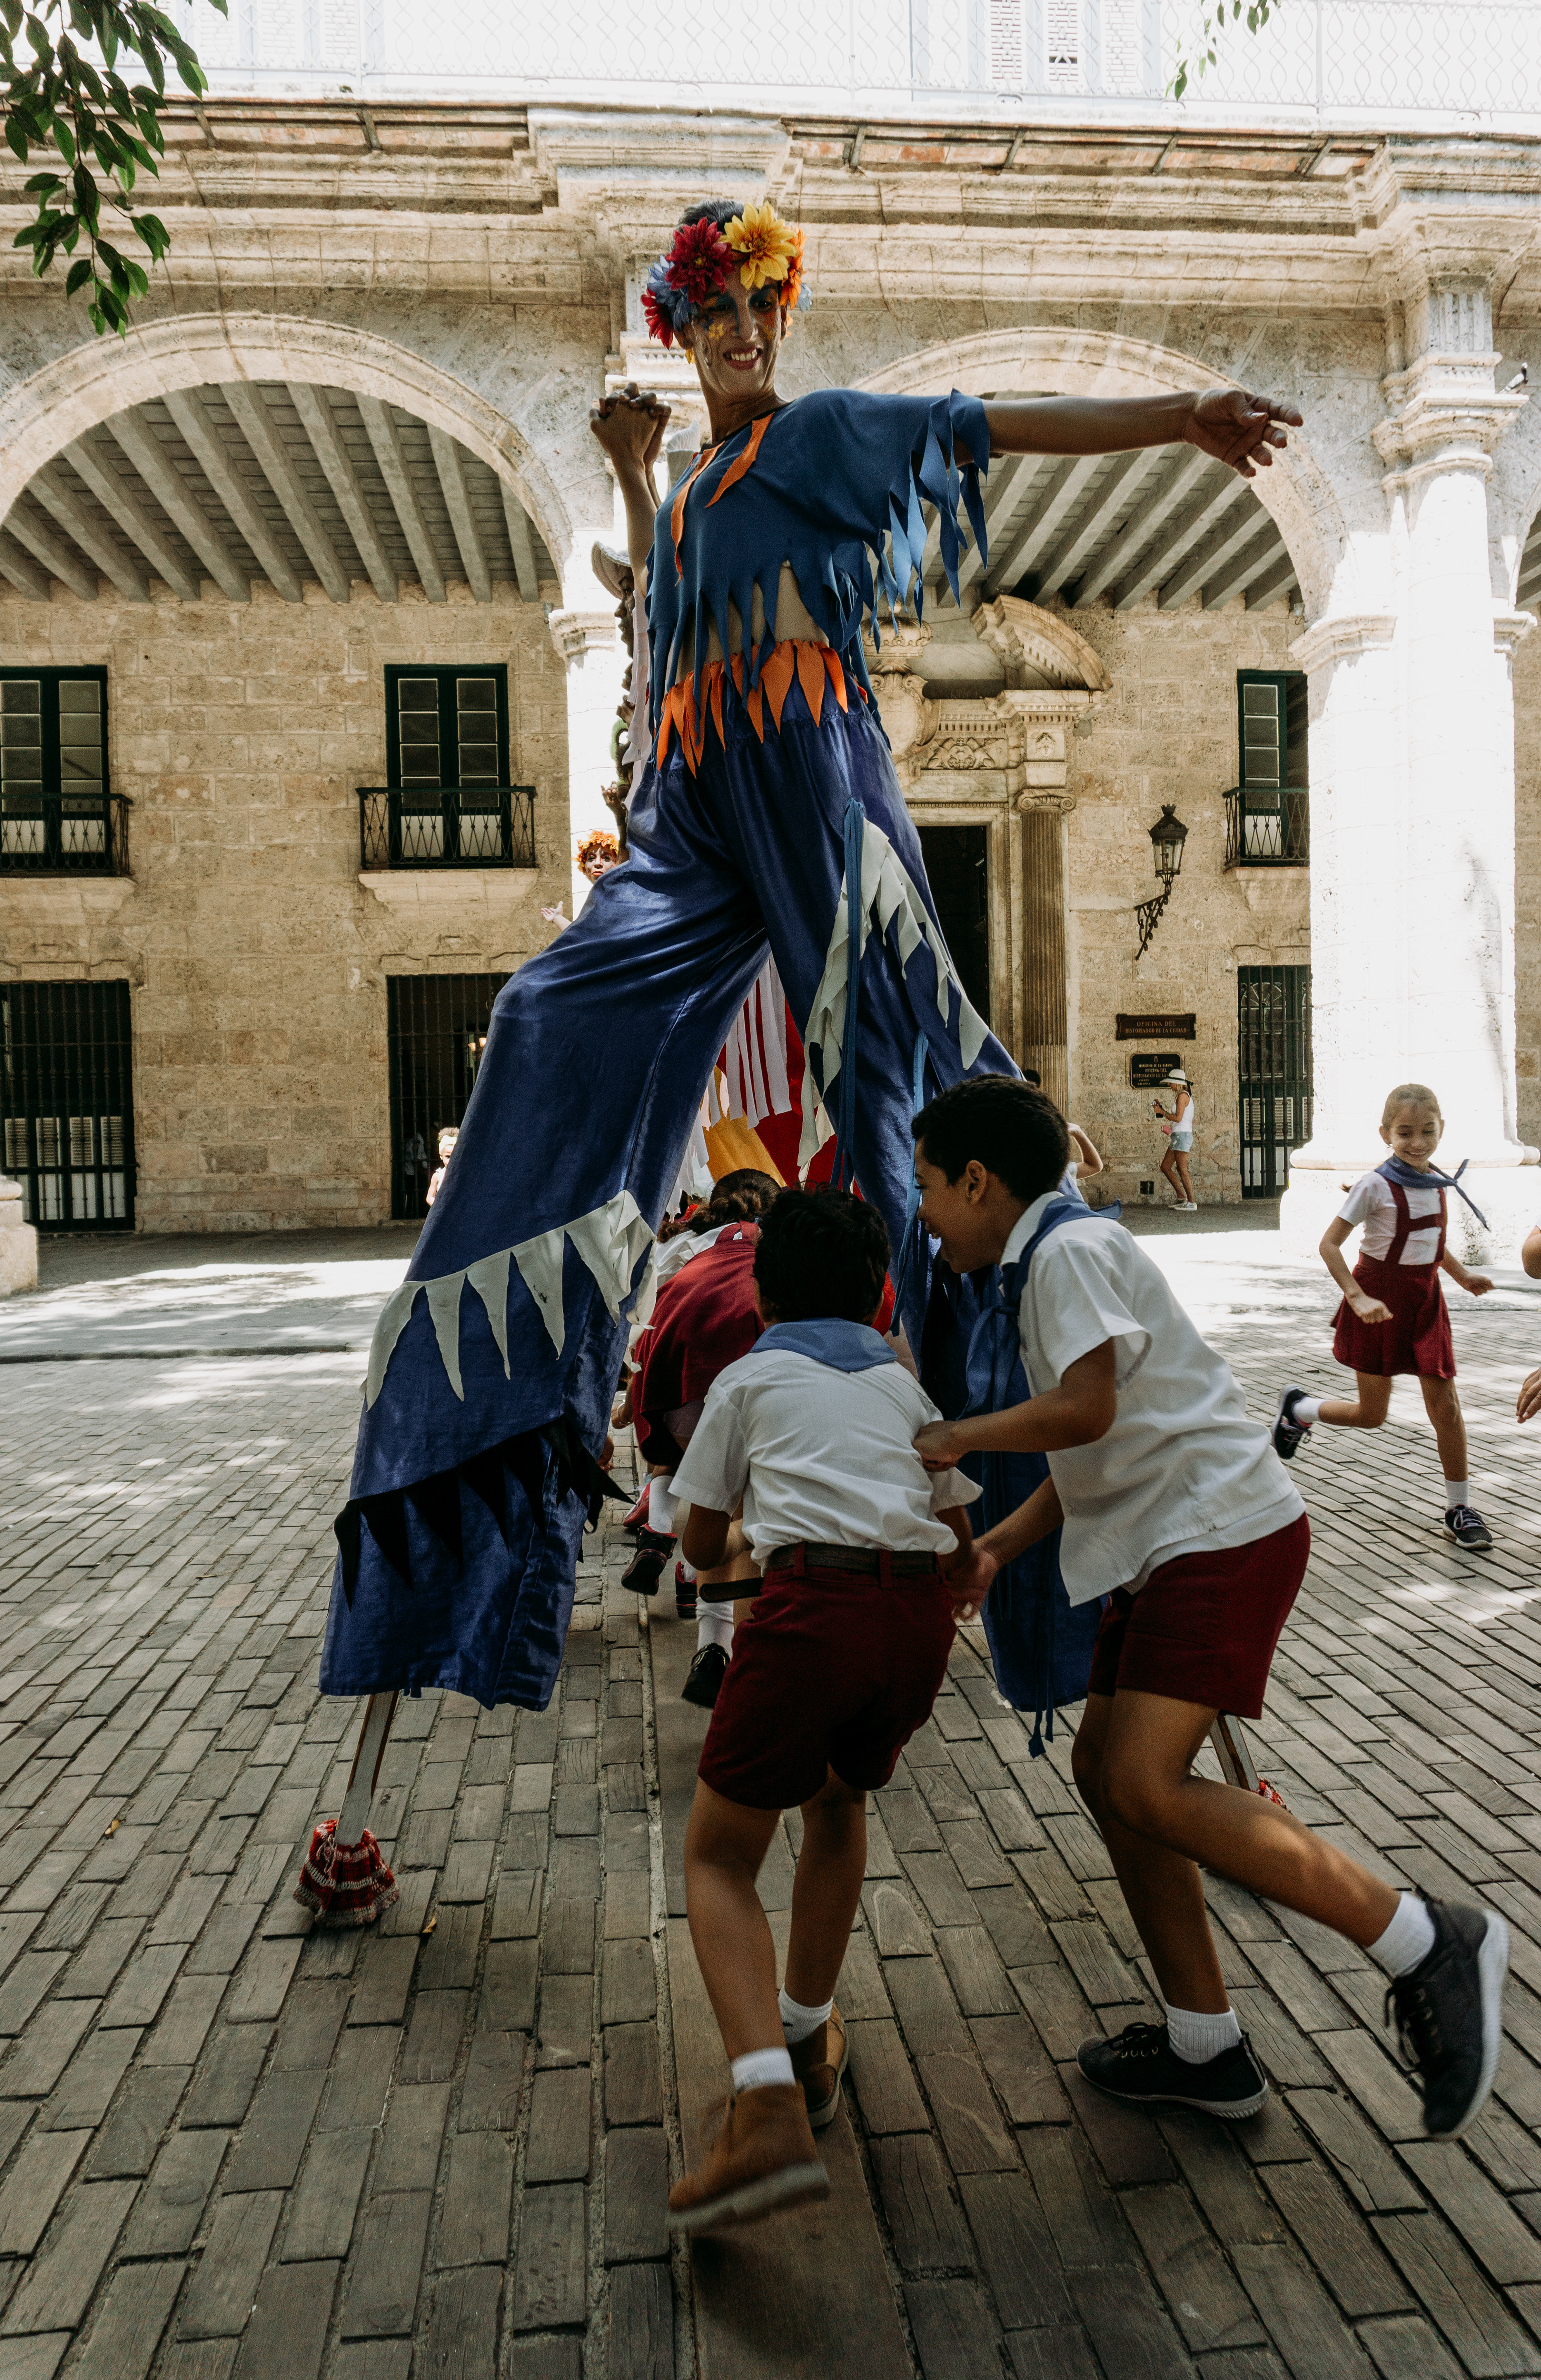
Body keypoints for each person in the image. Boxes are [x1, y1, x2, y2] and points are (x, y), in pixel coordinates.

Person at [321, 189, 1302, 1723]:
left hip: (815, 779)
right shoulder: (707, 488)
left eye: (759, 310)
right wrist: (637, 482)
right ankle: (481, 1429)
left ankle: (1051, 1506)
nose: (743, 333)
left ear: (777, 318)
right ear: (684, 330)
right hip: (702, 806)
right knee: (543, 1028)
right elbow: (670, 620)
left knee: (917, 1108)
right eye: (716, 315)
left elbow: (986, 426)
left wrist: (1181, 415)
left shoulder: (826, 428)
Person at [911, 1074, 1509, 2140]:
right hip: (1170, 1540)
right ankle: (1205, 2047)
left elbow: (1082, 1406)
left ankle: (1427, 1937)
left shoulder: (1065, 1253)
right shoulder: (1050, 1252)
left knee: (1143, 1776)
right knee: (1107, 1775)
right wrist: (1000, 1542)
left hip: (1218, 1534)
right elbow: (1102, 1428)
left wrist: (954, 1436)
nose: (919, 1211)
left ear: (975, 1179)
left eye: (924, 1186)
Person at [665, 1186, 991, 2231]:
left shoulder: (749, 1376)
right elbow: (955, 1519)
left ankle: (761, 2098)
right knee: (838, 1802)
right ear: (873, 1292)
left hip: (811, 1612)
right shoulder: (901, 1380)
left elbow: (699, 1541)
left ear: (761, 1293)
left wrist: (737, 1541)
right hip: (914, 1625)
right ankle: (805, 2033)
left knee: (718, 1854)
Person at [1272, 1083, 1495, 1553]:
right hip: (1377, 1301)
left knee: (1447, 1408)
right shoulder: (1374, 1185)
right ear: (1386, 1134)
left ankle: (1459, 1508)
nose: (1418, 1142)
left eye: (1427, 1131)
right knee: (1372, 1416)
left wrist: (1461, 1276)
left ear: (1441, 1130)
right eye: (1406, 1133)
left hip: (1425, 1301)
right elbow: (1329, 1245)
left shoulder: (1437, 1181)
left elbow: (1432, 1241)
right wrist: (1356, 1297)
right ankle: (1300, 1409)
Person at [623, 1171, 779, 1707]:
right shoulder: (778, 1247)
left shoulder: (689, 1247)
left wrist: (631, 1397)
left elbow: (653, 1315)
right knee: (745, 1516)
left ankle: (711, 1640)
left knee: (711, 1501)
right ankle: (735, 1642)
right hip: (751, 1365)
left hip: (684, 1379)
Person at [1153, 1069, 1196, 1211]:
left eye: (1170, 1083)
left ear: (1177, 1083)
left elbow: (1178, 1118)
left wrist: (1162, 1112)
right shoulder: (1182, 1095)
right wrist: (1162, 1110)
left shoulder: (1182, 1096)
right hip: (1179, 1135)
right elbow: (1178, 1117)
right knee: (1166, 1167)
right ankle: (1181, 1198)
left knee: (1182, 1170)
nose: (1169, 1085)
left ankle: (1192, 1203)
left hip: (1182, 1136)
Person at [425, 1127, 459, 1209]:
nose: (451, 1160)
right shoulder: (438, 1176)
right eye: (448, 1157)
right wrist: (440, 1206)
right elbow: (430, 1197)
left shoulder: (462, 1175)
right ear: (441, 1156)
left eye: (454, 1157)